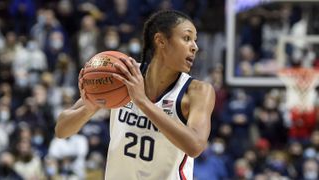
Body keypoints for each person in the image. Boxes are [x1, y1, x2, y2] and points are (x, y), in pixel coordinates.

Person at [55, 10, 215, 180]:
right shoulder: (122, 74)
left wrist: (143, 102)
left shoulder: (198, 91)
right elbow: (61, 130)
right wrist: (88, 108)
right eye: (187, 38)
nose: (195, 47)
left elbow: (195, 146)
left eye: (195, 41)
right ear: (161, 41)